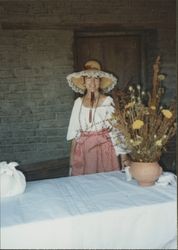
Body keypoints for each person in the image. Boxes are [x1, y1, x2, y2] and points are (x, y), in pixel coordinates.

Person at [66, 60, 129, 176]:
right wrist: (71, 161)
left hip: (105, 150)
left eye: (96, 78)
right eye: (89, 78)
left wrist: (124, 158)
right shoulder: (78, 103)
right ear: (84, 81)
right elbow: (74, 134)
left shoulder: (108, 101)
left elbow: (117, 131)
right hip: (84, 152)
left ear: (100, 82)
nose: (92, 82)